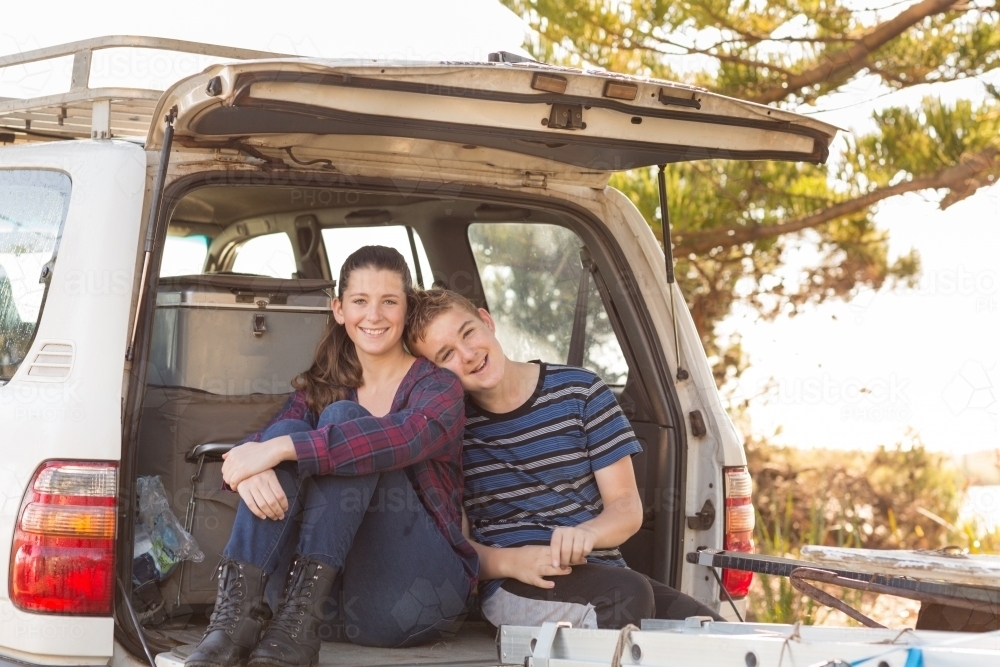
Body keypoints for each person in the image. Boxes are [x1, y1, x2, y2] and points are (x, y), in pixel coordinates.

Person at [186, 247, 477, 667]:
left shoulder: (438, 388)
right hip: (317, 612)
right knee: (288, 432)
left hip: (411, 598)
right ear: (339, 310)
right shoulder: (323, 386)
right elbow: (252, 450)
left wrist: (279, 450)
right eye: (360, 301)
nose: (373, 315)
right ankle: (234, 622)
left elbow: (398, 439)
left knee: (342, 426)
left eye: (389, 302)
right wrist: (250, 466)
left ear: (407, 308)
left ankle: (292, 621)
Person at [405, 288, 724, 630]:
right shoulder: (450, 429)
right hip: (514, 582)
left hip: (606, 574)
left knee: (715, 633)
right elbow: (459, 548)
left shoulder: (581, 391)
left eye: (467, 332)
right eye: (446, 354)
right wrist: (512, 562)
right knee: (625, 595)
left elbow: (626, 507)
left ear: (486, 320)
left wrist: (588, 533)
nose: (467, 354)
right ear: (434, 374)